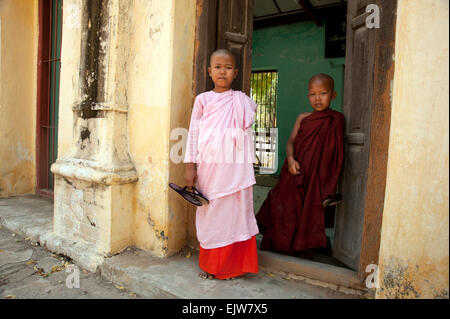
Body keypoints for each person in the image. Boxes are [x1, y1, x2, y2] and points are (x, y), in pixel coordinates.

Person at [184, 49, 259, 280]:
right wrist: (190, 166)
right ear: (209, 71)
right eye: (217, 66)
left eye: (227, 67)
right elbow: (194, 134)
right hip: (209, 169)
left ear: (235, 72)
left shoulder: (242, 100)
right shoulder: (202, 100)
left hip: (234, 169)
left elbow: (248, 128)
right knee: (211, 213)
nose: (222, 71)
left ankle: (232, 267)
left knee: (234, 214)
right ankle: (210, 265)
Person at [256, 73, 344, 258]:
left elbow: (335, 153)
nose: (317, 99)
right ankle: (279, 246)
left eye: (323, 93)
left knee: (307, 212)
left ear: (333, 95)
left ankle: (301, 249)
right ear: (308, 96)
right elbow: (290, 142)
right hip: (295, 171)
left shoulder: (336, 120)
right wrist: (290, 160)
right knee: (284, 207)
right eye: (313, 94)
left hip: (315, 176)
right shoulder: (303, 118)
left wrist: (329, 181)